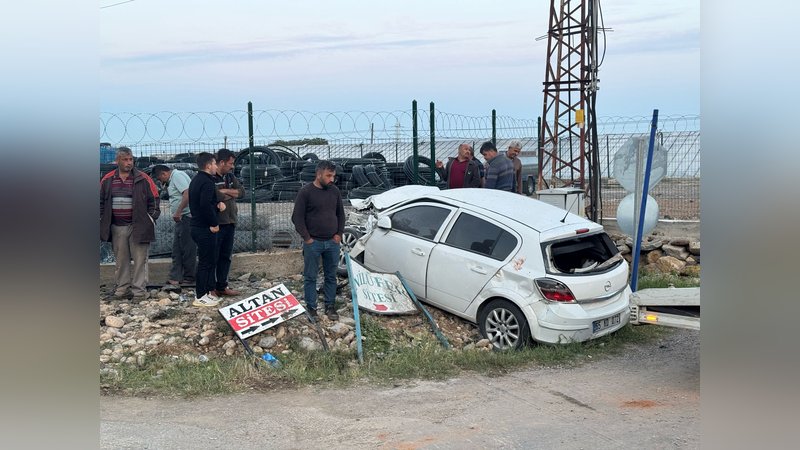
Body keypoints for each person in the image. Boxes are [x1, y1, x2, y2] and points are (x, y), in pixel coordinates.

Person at [100, 147, 160, 300]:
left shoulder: (143, 178)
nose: (129, 163)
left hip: (139, 227)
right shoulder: (107, 179)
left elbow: (155, 199)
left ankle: (139, 292)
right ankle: (122, 290)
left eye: (131, 159)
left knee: (140, 260)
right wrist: (103, 219)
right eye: (125, 160)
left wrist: (150, 219)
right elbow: (100, 201)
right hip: (117, 227)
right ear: (117, 161)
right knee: (121, 261)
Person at [291, 160, 345, 321]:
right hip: (313, 243)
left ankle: (330, 306)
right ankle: (312, 308)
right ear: (319, 174)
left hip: (332, 243)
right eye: (328, 176)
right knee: (310, 276)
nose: (332, 179)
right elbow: (297, 218)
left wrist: (339, 234)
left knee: (330, 275)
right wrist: (307, 239)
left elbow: (340, 214)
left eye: (333, 176)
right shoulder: (306, 192)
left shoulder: (334, 191)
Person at [188, 152, 227, 307]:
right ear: (208, 165)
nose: (216, 167)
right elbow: (204, 205)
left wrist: (216, 205)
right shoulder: (207, 182)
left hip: (198, 226)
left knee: (209, 260)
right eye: (214, 164)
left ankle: (206, 292)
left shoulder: (197, 180)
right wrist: (214, 222)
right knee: (205, 262)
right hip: (204, 228)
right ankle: (200, 295)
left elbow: (203, 202)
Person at [151, 165, 196, 287]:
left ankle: (189, 277)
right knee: (177, 249)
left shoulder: (177, 176)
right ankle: (175, 277)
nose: (161, 182)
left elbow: (187, 193)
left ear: (163, 174)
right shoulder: (174, 179)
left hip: (186, 217)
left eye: (160, 179)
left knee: (188, 249)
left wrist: (178, 211)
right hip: (181, 219)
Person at [212, 148, 244, 297]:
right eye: (230, 163)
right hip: (217, 223)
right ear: (222, 162)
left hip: (230, 222)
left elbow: (241, 192)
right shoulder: (210, 177)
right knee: (213, 256)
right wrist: (224, 193)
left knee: (225, 256)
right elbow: (214, 195)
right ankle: (210, 287)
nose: (232, 166)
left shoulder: (230, 177)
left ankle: (222, 286)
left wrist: (225, 192)